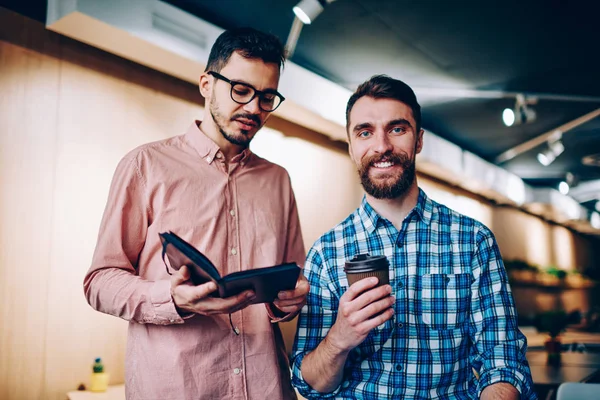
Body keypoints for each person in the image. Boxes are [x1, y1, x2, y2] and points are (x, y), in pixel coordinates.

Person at [84, 27, 309, 400]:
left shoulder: (278, 180)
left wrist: (287, 302)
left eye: (267, 97)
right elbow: (99, 282)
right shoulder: (145, 165)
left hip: (267, 386)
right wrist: (170, 299)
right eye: (241, 90)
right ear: (206, 84)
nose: (254, 108)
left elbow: (291, 281)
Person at [291, 75, 536, 399]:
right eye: (365, 132)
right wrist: (339, 338)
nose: (381, 146)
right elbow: (309, 385)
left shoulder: (473, 241)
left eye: (397, 129)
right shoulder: (326, 252)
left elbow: (504, 364)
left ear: (418, 140)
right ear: (351, 146)